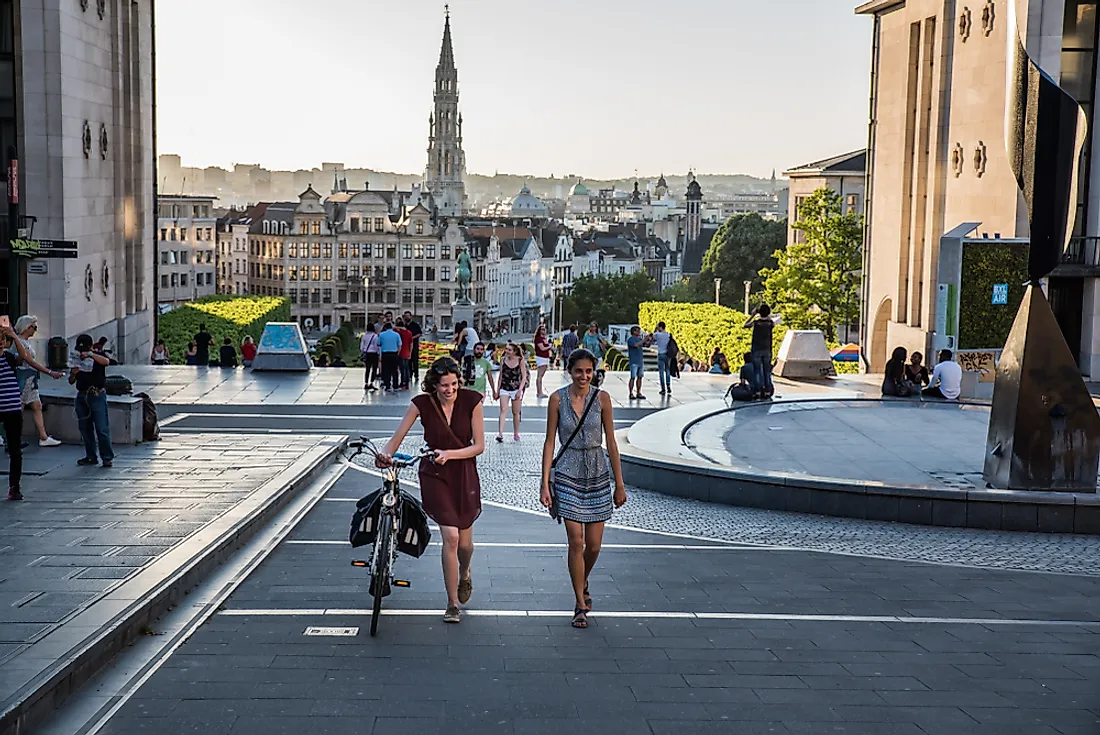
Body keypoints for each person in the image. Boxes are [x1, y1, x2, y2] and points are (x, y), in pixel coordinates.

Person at [377, 357, 485, 624]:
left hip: (463, 472)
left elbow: (479, 446)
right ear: (434, 385)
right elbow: (396, 437)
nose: (450, 390)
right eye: (444, 385)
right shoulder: (421, 404)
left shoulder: (472, 401)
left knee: (466, 544)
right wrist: (385, 453)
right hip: (434, 473)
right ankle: (451, 603)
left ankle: (465, 573)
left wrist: (451, 453)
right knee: (450, 537)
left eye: (454, 384)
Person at [540, 348, 627, 629]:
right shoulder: (557, 399)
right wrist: (545, 482)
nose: (584, 376)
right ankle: (579, 603)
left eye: (589, 371)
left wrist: (620, 483)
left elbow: (611, 442)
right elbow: (549, 442)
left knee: (595, 545)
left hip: (597, 472)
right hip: (567, 471)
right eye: (579, 371)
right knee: (576, 541)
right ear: (570, 371)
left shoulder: (602, 399)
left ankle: (583, 577)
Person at [12, 316, 64, 448]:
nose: (35, 330)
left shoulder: (24, 342)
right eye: (34, 327)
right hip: (24, 378)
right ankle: (12, 438)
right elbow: (30, 362)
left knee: (36, 406)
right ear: (27, 327)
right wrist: (50, 373)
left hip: (29, 379)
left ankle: (43, 436)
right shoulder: (20, 343)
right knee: (19, 408)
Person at [2, 321, 39, 500]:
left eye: (3, 339)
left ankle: (14, 487)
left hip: (12, 409)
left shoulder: (9, 358)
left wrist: (14, 335)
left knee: (15, 450)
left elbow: (22, 356)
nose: (2, 342)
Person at [70, 334, 114, 468]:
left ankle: (106, 457)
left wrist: (91, 355)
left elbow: (107, 362)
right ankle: (91, 455)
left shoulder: (97, 356)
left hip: (96, 394)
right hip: (82, 395)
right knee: (85, 428)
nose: (82, 353)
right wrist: (73, 373)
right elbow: (71, 381)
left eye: (84, 349)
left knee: (101, 428)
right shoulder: (76, 359)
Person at [744, 304, 780, 399]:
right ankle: (767, 391)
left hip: (756, 349)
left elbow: (745, 325)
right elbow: (768, 318)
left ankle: (758, 391)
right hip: (767, 349)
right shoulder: (770, 323)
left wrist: (753, 314)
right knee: (767, 371)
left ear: (759, 313)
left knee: (757, 371)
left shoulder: (756, 322)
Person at [495, 342, 528, 443]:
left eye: (509, 350)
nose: (507, 351)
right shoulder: (503, 359)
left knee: (516, 412)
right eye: (506, 349)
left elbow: (524, 377)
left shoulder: (520, 360)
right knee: (503, 409)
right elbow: (500, 376)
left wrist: (520, 390)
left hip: (516, 388)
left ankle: (516, 433)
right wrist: (497, 390)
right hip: (504, 387)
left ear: (514, 352)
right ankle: (500, 433)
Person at [378, 322, 402, 391]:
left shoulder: (381, 334)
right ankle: (395, 386)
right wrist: (398, 353)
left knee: (386, 370)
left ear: (385, 328)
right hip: (394, 354)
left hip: (385, 354)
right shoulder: (396, 334)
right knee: (394, 370)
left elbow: (378, 343)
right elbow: (399, 345)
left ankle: (387, 385)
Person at [650, 322, 673, 395]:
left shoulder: (657, 335)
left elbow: (652, 340)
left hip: (660, 354)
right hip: (667, 354)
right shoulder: (668, 335)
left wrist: (655, 330)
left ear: (660, 327)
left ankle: (663, 388)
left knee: (661, 372)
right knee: (667, 370)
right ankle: (668, 385)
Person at [626, 326, 646, 400]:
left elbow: (645, 345)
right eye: (637, 331)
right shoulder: (630, 340)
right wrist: (644, 340)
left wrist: (649, 340)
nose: (639, 332)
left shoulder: (639, 339)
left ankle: (638, 392)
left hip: (640, 360)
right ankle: (631, 393)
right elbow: (636, 345)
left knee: (640, 377)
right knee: (633, 377)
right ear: (633, 332)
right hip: (633, 361)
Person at [403, 311, 423, 384]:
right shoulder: (404, 326)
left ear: (411, 316)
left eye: (408, 316)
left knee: (415, 361)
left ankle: (416, 375)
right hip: (406, 346)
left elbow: (420, 333)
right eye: (405, 316)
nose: (407, 317)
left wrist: (412, 338)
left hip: (414, 345)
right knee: (408, 361)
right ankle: (409, 375)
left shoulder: (415, 325)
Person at [533, 324, 552, 398]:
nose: (544, 331)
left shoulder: (544, 338)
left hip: (545, 357)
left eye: (545, 329)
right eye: (542, 329)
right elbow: (542, 348)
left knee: (541, 376)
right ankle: (539, 392)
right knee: (539, 376)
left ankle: (540, 391)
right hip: (541, 357)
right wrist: (549, 346)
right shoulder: (538, 339)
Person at [360, 324, 381, 391]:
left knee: (367, 369)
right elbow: (376, 346)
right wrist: (378, 353)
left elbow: (362, 346)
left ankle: (366, 383)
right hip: (374, 353)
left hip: (367, 353)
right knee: (374, 369)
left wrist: (363, 351)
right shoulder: (375, 336)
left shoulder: (364, 336)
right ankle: (372, 383)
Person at [396, 320, 414, 390]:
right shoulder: (409, 333)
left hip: (400, 353)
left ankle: (402, 383)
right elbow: (411, 344)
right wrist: (410, 353)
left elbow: (391, 329)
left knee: (402, 369)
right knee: (407, 368)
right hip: (407, 353)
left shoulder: (398, 332)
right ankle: (406, 383)